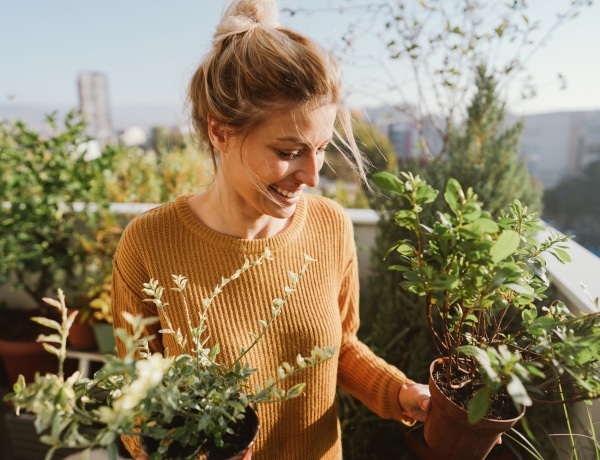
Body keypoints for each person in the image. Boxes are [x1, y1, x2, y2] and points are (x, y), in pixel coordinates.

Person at [111, 0, 431, 458]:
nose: (312, 175)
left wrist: (402, 392)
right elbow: (133, 406)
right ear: (219, 133)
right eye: (288, 151)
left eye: (320, 148)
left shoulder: (330, 226)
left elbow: (338, 348)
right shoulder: (149, 244)